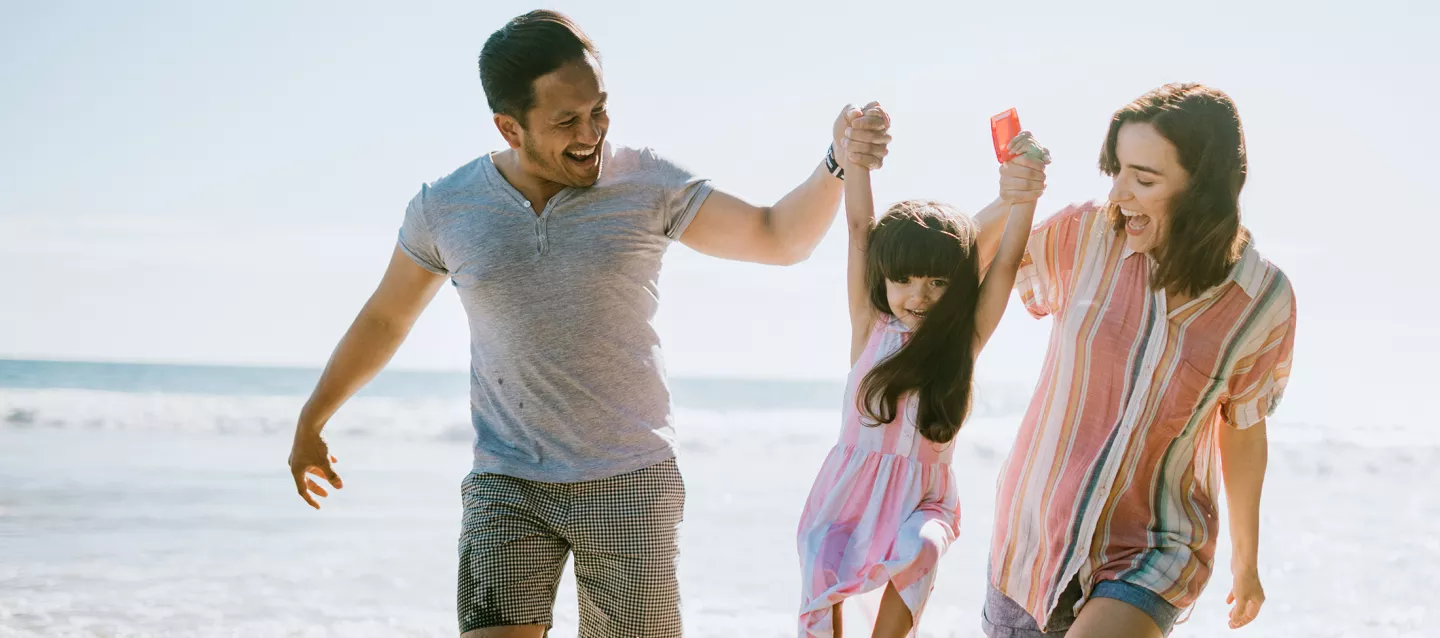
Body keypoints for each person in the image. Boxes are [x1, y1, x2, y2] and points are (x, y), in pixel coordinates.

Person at [284, 10, 893, 638]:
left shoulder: (646, 184)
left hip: (630, 479)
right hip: (507, 478)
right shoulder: (446, 207)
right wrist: (313, 418)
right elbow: (386, 316)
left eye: (599, 110)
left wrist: (837, 162)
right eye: (566, 121)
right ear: (508, 127)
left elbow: (777, 236)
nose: (591, 133)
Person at [982, 83, 1297, 638]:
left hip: (1153, 549)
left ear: (1202, 188)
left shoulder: (1259, 302)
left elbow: (1243, 430)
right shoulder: (1085, 236)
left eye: (1144, 179)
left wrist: (1245, 563)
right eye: (1117, 170)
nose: (1119, 194)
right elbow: (971, 269)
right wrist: (1011, 199)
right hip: (1031, 541)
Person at [796, 130, 1051, 638]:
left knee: (924, 547)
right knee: (822, 563)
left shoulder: (961, 341)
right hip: (848, 492)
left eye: (937, 282)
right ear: (883, 278)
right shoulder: (870, 325)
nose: (919, 295)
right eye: (906, 280)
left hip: (923, 499)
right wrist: (858, 163)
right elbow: (859, 230)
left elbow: (1002, 263)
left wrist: (1025, 197)